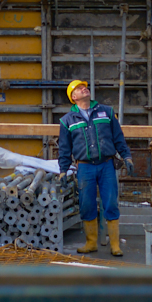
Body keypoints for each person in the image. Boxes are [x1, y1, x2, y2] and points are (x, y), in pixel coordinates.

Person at [57, 80, 130, 256]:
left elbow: (118, 137)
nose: (84, 88)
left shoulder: (106, 112)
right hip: (85, 168)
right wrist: (63, 170)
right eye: (79, 88)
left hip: (106, 165)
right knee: (87, 205)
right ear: (73, 97)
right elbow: (65, 148)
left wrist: (126, 156)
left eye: (84, 86)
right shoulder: (67, 120)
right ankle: (91, 243)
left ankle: (114, 245)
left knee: (111, 203)